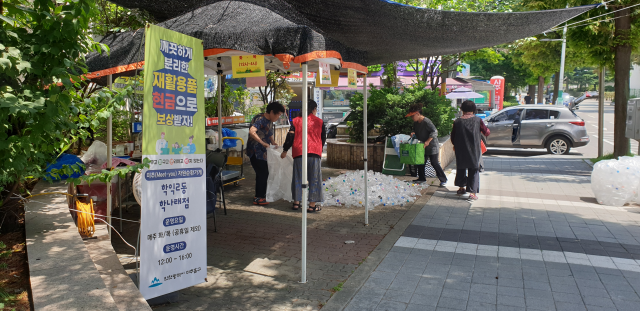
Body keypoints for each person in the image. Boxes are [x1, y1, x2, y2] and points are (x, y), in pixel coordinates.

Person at [282, 100, 326, 212]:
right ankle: (312, 206)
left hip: (299, 152)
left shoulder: (296, 121)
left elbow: (290, 137)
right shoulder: (319, 121)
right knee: (314, 179)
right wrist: (318, 147)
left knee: (298, 178)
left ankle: (296, 203)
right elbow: (323, 138)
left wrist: (285, 150)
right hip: (314, 152)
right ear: (314, 109)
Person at [247, 101, 286, 205]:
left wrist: (273, 142)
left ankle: (260, 195)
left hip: (263, 152)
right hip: (255, 151)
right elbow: (252, 131)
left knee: (263, 173)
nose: (278, 117)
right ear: (272, 112)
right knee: (263, 173)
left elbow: (268, 133)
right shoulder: (260, 119)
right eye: (278, 114)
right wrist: (262, 142)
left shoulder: (269, 121)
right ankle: (259, 197)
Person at [451, 100, 490, 200]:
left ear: (462, 109)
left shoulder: (457, 121)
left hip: (460, 148)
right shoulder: (478, 120)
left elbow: (453, 136)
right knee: (473, 169)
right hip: (474, 149)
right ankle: (472, 193)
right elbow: (486, 132)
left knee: (461, 167)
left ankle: (461, 188)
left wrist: (455, 145)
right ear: (473, 109)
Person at [406, 103, 447, 186]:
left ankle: (443, 179)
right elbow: (416, 132)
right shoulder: (416, 123)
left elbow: (434, 132)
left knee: (434, 162)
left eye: (412, 116)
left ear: (417, 114)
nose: (411, 118)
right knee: (421, 162)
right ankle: (421, 178)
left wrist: (428, 141)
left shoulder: (427, 121)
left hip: (432, 146)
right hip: (422, 146)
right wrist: (413, 134)